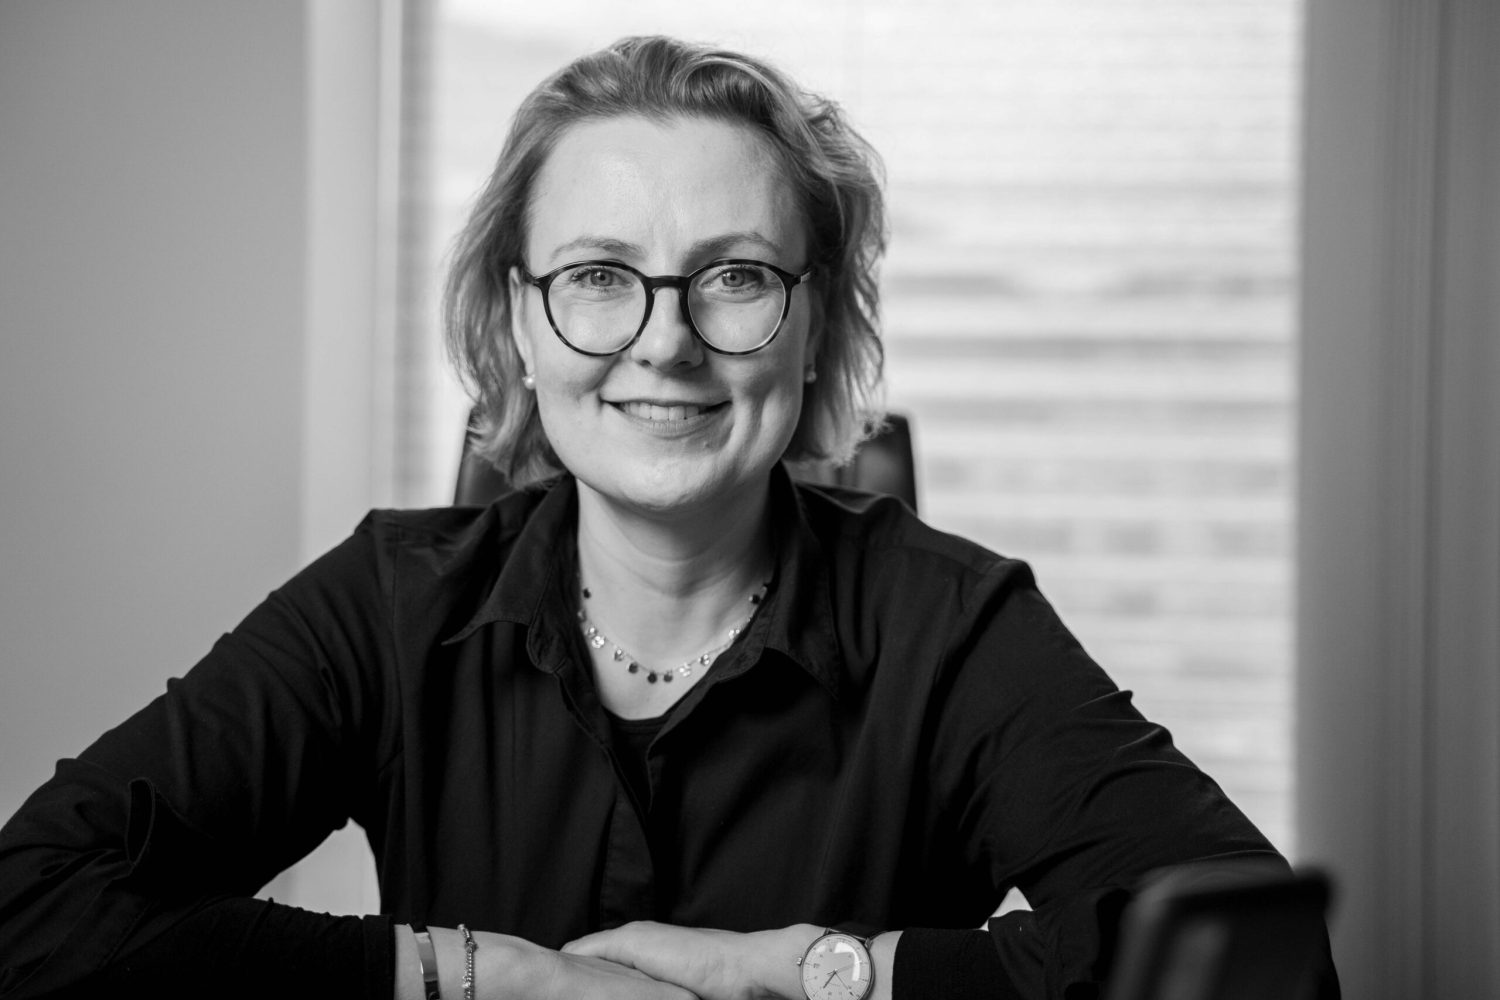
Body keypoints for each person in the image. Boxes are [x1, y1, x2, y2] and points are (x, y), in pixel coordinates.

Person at [0, 35, 1332, 1000]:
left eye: (736, 277)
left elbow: (1258, 959)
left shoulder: (956, 625)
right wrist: (476, 978)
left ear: (814, 331)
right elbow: (32, 903)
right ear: (519, 326)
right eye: (596, 277)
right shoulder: (392, 602)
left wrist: (821, 975)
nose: (665, 344)